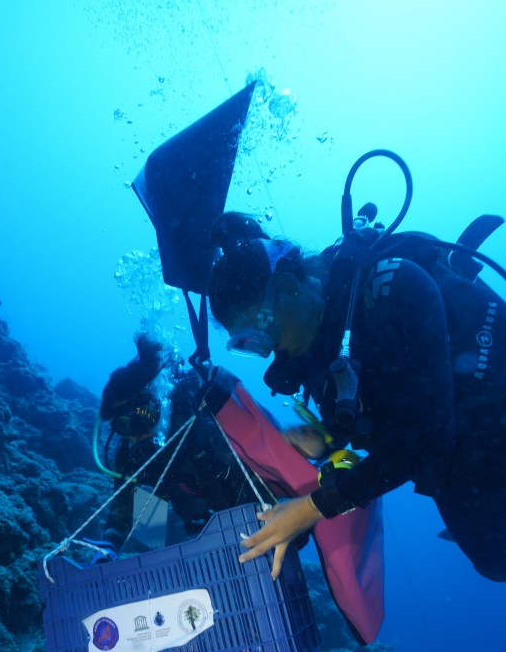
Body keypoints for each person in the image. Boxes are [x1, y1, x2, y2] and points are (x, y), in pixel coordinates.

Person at [207, 211, 506, 582]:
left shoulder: (392, 286)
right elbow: (365, 412)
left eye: (259, 329)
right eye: (246, 344)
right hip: (456, 451)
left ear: (287, 288)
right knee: (493, 559)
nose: (266, 350)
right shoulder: (313, 346)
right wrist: (325, 441)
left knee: (496, 554)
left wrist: (313, 508)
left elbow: (427, 435)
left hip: (488, 412)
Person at [98, 332, 264, 553]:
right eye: (121, 427)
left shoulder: (200, 425)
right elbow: (127, 516)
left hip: (255, 517)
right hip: (202, 528)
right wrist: (107, 548)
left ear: (152, 407)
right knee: (148, 537)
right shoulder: (133, 457)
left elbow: (258, 474)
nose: (132, 436)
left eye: (135, 422)